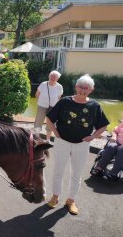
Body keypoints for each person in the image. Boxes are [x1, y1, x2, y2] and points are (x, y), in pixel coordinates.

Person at [46, 74, 109, 215]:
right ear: (76, 87)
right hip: (62, 142)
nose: (83, 90)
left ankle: (71, 200)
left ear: (91, 90)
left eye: (86, 88)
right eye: (81, 87)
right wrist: (55, 132)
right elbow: (49, 118)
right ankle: (55, 196)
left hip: (81, 145)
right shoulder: (64, 102)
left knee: (76, 174)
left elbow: (103, 126)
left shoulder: (94, 106)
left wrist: (93, 136)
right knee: (58, 171)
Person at [34, 70, 63, 141]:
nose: (52, 78)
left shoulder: (59, 87)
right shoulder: (43, 84)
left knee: (50, 123)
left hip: (52, 108)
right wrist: (41, 102)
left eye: (54, 77)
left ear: (57, 78)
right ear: (49, 76)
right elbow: (37, 95)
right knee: (38, 122)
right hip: (42, 106)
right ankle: (36, 137)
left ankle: (48, 139)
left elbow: (59, 98)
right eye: (51, 76)